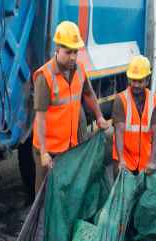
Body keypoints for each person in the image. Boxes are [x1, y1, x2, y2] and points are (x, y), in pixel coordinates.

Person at [32, 21, 110, 194]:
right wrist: (44, 152)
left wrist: (99, 117)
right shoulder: (44, 77)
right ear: (57, 49)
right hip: (49, 150)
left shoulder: (80, 70)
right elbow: (40, 118)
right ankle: (42, 222)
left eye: (76, 51)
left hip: (69, 147)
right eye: (68, 52)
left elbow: (88, 94)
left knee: (66, 194)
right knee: (45, 197)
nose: (73, 57)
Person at [113, 55, 156, 174]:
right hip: (124, 162)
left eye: (140, 81)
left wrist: (151, 161)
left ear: (147, 80)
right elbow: (119, 132)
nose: (136, 85)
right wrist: (121, 160)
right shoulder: (121, 99)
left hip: (144, 164)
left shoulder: (155, 101)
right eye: (133, 80)